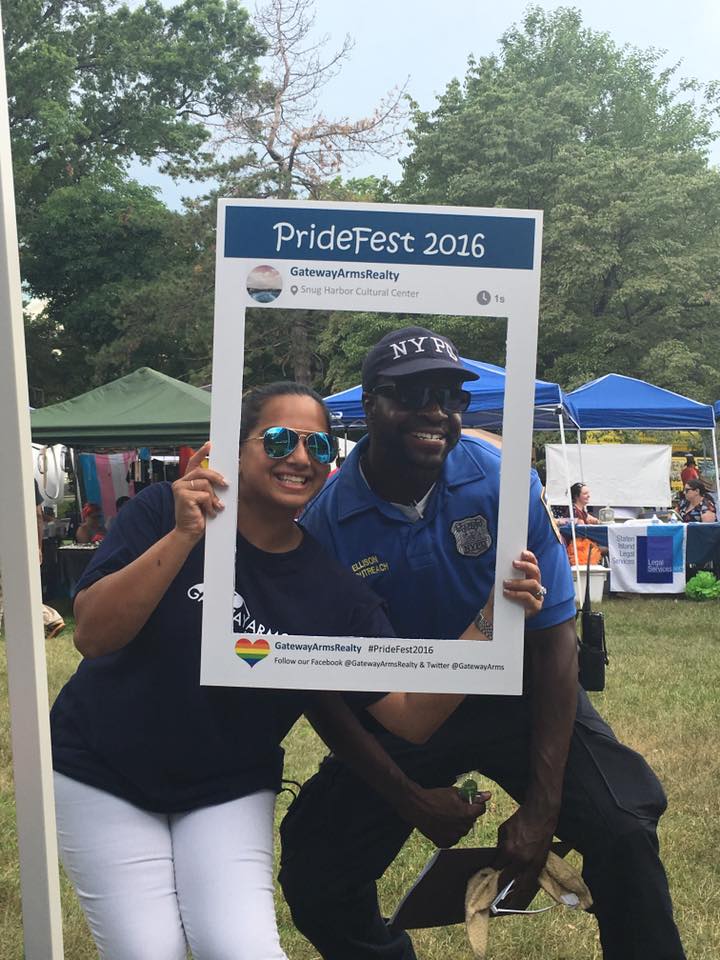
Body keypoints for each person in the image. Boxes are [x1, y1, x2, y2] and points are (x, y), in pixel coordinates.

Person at [50, 380, 542, 960]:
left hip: (225, 788)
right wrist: (188, 534)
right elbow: (95, 635)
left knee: (241, 950)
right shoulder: (162, 510)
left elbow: (411, 716)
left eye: (320, 446)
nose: (301, 458)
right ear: (236, 448)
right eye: (280, 439)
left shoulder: (328, 586)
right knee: (146, 951)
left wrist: (490, 621)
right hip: (102, 772)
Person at [279, 327, 685, 960]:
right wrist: (407, 797)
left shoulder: (501, 481)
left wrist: (544, 806)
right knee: (316, 874)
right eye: (411, 394)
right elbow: (321, 685)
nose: (437, 411)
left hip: (516, 693)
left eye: (449, 394)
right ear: (368, 402)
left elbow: (555, 641)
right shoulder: (324, 523)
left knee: (623, 831)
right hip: (402, 710)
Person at [558, 482, 606, 565]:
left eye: (588, 493)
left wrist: (597, 521)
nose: (588, 495)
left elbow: (595, 520)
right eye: (585, 493)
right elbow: (582, 530)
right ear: (577, 496)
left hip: (583, 545)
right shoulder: (574, 511)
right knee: (608, 548)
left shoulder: (582, 510)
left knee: (606, 547)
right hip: (578, 549)